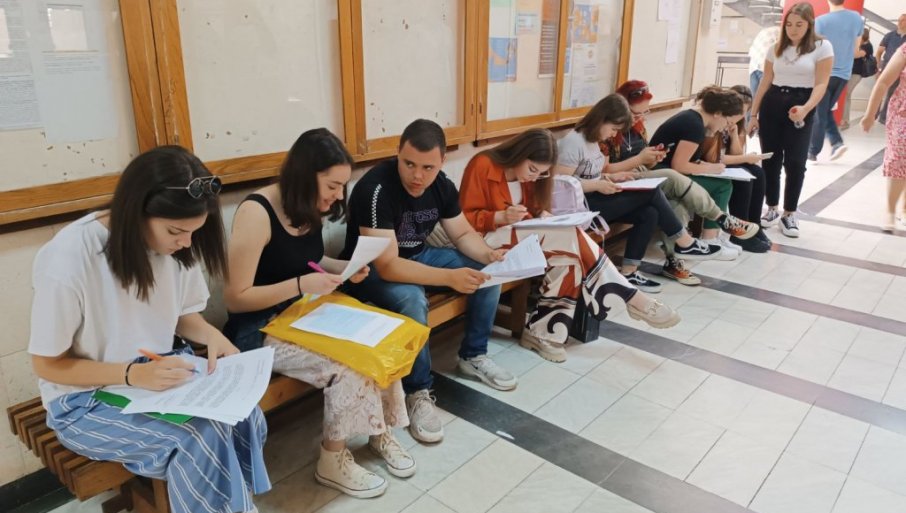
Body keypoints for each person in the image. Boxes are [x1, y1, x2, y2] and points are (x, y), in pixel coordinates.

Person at [28, 146, 269, 513]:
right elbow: (47, 364)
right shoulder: (70, 257)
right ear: (136, 211)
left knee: (244, 415)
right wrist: (131, 374)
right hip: (85, 399)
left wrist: (212, 336)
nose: (186, 243)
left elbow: (181, 315)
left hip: (159, 374)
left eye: (194, 232)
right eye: (176, 231)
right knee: (200, 438)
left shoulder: (177, 246)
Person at [222, 129, 413, 498]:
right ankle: (332, 460)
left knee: (382, 334)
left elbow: (309, 260)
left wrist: (343, 269)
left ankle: (378, 431)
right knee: (347, 364)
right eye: (333, 185)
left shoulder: (307, 205)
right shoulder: (256, 213)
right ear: (305, 176)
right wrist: (300, 285)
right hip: (260, 327)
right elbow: (236, 298)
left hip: (304, 311)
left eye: (342, 186)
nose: (338, 195)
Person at [342, 119, 515, 445]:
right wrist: (449, 277)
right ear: (398, 154)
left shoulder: (442, 186)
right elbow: (389, 266)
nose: (417, 175)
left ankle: (473, 355)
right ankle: (418, 391)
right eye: (409, 164)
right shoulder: (375, 190)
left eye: (427, 167)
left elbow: (462, 234)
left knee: (486, 271)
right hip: (369, 271)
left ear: (441, 163)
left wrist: (488, 253)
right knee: (412, 300)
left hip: (419, 256)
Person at [458, 128, 680, 362]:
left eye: (541, 173)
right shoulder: (483, 164)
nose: (534, 177)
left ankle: (542, 334)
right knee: (570, 238)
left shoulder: (535, 177)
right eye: (532, 169)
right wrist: (499, 217)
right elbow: (462, 219)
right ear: (519, 154)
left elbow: (534, 209)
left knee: (570, 260)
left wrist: (543, 215)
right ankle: (630, 295)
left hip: (522, 236)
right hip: (484, 241)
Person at [554, 94, 722, 294]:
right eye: (613, 129)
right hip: (578, 207)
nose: (613, 134)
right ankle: (684, 242)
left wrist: (611, 177)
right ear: (601, 120)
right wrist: (598, 185)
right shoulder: (573, 142)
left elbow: (591, 173)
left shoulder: (594, 141)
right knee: (650, 193)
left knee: (649, 212)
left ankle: (629, 272)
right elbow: (562, 185)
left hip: (593, 198)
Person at [603, 80, 761, 285]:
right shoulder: (609, 133)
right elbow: (606, 170)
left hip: (641, 174)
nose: (640, 118)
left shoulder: (638, 128)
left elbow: (647, 161)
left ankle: (674, 261)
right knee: (674, 177)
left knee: (677, 200)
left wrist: (652, 158)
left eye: (644, 113)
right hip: (622, 180)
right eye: (635, 114)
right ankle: (720, 219)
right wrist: (641, 160)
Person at [749, 2, 833, 238]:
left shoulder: (822, 47)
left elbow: (821, 83)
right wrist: (753, 115)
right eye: (789, 25)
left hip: (802, 102)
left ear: (809, 25)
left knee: (796, 162)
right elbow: (765, 82)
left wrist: (806, 108)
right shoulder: (775, 47)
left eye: (799, 25)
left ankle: (789, 213)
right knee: (771, 159)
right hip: (773, 102)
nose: (793, 30)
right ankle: (772, 208)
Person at [649, 86, 755, 256]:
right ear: (718, 113)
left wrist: (702, 165)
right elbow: (679, 166)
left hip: (665, 170)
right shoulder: (694, 125)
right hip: (661, 173)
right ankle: (709, 238)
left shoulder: (694, 119)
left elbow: (685, 159)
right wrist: (710, 168)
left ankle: (712, 236)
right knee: (722, 185)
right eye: (727, 123)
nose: (724, 128)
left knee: (723, 183)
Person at [714, 85, 772, 253]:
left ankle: (754, 225)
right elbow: (717, 158)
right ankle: (740, 232)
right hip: (711, 164)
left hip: (724, 162)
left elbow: (737, 153)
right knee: (744, 179)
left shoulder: (737, 123)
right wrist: (746, 158)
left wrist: (734, 136)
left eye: (744, 112)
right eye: (740, 112)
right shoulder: (717, 120)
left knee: (758, 172)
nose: (741, 116)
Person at [808, 0, 863, 161]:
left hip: (823, 73)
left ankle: (813, 152)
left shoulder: (820, 21)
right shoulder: (856, 18)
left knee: (820, 113)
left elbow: (812, 50)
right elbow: (855, 50)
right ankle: (836, 143)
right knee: (824, 110)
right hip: (844, 75)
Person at [861, 37, 906, 231]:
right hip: (902, 113)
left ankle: (904, 208)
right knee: (898, 158)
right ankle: (890, 210)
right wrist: (870, 114)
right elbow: (883, 82)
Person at [875, 13, 906, 124]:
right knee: (879, 90)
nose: (899, 22)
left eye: (903, 20)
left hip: (900, 70)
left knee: (891, 93)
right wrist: (878, 68)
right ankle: (873, 115)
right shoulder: (889, 35)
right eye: (899, 20)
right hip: (886, 67)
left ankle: (883, 117)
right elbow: (879, 52)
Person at [841, 28, 874, 129]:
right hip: (848, 72)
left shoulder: (867, 46)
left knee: (847, 94)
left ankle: (845, 120)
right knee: (846, 95)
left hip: (857, 73)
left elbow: (856, 55)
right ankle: (844, 119)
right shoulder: (857, 45)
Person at [749, 25, 783, 101]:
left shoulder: (765, 32)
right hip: (764, 68)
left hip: (754, 66)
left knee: (754, 98)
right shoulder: (780, 33)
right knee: (764, 98)